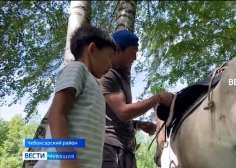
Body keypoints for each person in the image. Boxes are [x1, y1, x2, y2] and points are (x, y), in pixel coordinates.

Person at [34, 24, 116, 168]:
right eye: (109, 57)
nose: (110, 66)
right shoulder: (77, 69)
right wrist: (69, 162)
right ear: (92, 49)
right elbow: (57, 114)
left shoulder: (95, 85)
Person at [100, 29, 174, 168]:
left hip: (125, 149)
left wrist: (139, 125)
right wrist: (157, 98)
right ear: (118, 49)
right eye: (133, 52)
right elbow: (123, 112)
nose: (135, 57)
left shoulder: (121, 75)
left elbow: (112, 117)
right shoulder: (108, 75)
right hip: (111, 148)